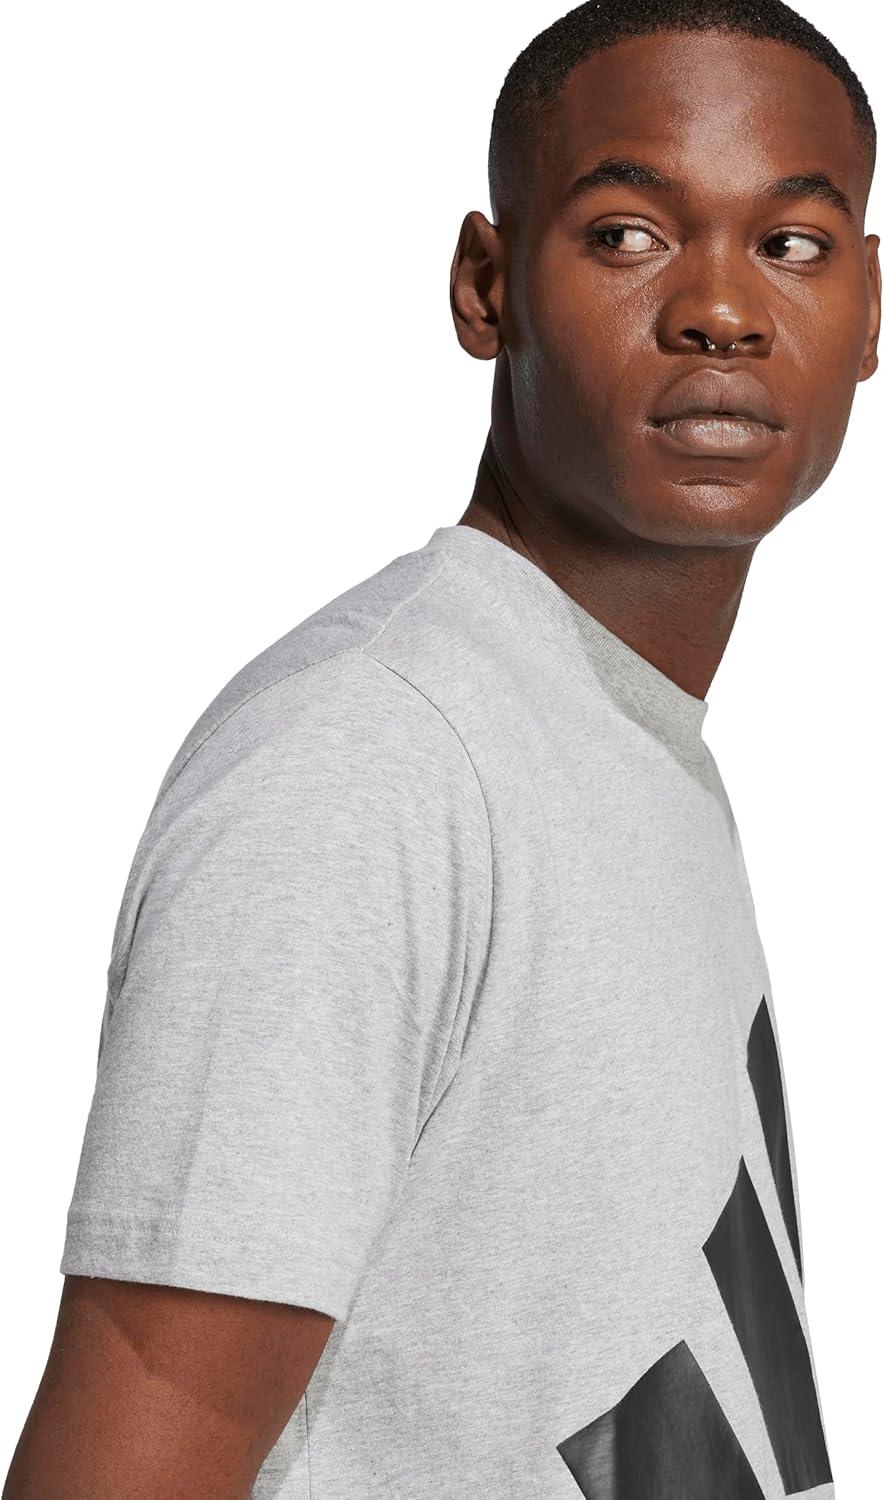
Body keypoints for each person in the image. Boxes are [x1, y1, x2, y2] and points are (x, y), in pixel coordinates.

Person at [4, 0, 879, 1495]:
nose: (722, 311)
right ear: (486, 286)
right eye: (627, 235)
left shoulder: (613, 737)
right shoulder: (370, 763)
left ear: (869, 315)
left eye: (792, 244)